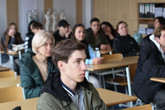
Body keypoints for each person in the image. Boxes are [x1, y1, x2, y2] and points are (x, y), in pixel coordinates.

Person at [37, 39, 107, 110]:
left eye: (84, 61)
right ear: (61, 66)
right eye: (77, 61)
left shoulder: (88, 88)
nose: (85, 67)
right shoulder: (47, 102)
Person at [132, 26, 165, 110]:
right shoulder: (148, 49)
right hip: (146, 86)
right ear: (157, 39)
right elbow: (152, 69)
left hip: (160, 84)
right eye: (164, 36)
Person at [20, 30, 57, 99]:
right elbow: (27, 93)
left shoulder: (53, 61)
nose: (49, 48)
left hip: (52, 100)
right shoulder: (27, 64)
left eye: (51, 44)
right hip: (36, 101)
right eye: (45, 45)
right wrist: (48, 89)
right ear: (37, 47)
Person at [71, 24, 103, 88]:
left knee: (98, 80)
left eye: (83, 32)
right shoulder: (71, 45)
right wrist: (91, 61)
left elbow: (92, 54)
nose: (82, 34)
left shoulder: (86, 43)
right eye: (79, 32)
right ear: (74, 33)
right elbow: (76, 61)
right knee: (95, 82)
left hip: (88, 71)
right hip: (76, 73)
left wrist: (96, 59)